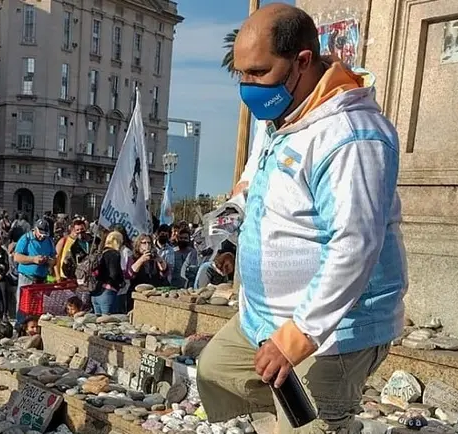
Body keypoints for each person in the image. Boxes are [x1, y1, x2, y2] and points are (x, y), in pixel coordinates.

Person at [196, 5, 406, 434]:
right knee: (216, 370)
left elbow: (354, 246)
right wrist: (240, 202)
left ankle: (324, 421)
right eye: (241, 75)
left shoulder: (352, 136)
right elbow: (265, 168)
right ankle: (284, 418)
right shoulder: (287, 112)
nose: (247, 87)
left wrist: (297, 337)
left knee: (311, 425)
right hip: (264, 317)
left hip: (330, 331)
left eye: (257, 72)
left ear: (303, 62)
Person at [13, 219, 55, 323]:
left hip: (41, 279)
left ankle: (34, 326)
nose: (42, 237)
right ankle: (20, 325)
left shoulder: (49, 241)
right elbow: (17, 257)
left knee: (37, 306)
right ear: (35, 230)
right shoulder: (26, 239)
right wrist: (33, 259)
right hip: (26, 278)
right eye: (40, 234)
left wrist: (49, 261)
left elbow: (54, 257)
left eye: (44, 235)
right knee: (23, 304)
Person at [126, 233, 168, 312]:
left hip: (153, 292)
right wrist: (141, 260)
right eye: (144, 243)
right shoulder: (133, 257)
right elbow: (130, 274)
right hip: (137, 292)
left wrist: (159, 260)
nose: (147, 245)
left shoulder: (154, 257)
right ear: (138, 244)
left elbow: (164, 272)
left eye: (149, 243)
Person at [92, 231, 125, 315]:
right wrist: (121, 282)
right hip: (108, 292)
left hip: (95, 292)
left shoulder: (100, 253)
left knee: (97, 322)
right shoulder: (114, 254)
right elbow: (114, 273)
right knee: (109, 322)